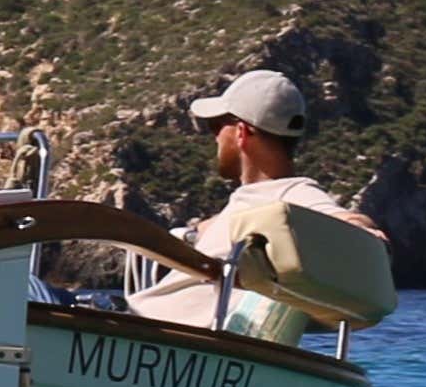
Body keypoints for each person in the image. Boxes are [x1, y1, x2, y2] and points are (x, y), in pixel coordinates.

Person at [126, 69, 383, 329]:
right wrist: (195, 234)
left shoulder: (293, 198)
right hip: (143, 331)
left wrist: (363, 230)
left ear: (241, 132)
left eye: (216, 126)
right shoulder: (257, 200)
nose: (214, 137)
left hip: (148, 334)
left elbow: (346, 221)